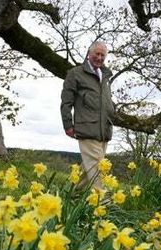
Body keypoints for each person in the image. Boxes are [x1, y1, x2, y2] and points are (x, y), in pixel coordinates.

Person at [60, 41, 115, 191]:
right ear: (89, 54)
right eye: (97, 54)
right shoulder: (75, 73)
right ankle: (104, 205)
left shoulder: (105, 75)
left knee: (88, 168)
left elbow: (106, 102)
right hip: (86, 127)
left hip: (104, 129)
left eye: (102, 55)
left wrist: (112, 117)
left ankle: (72, 195)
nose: (99, 57)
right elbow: (66, 102)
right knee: (98, 167)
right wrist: (68, 125)